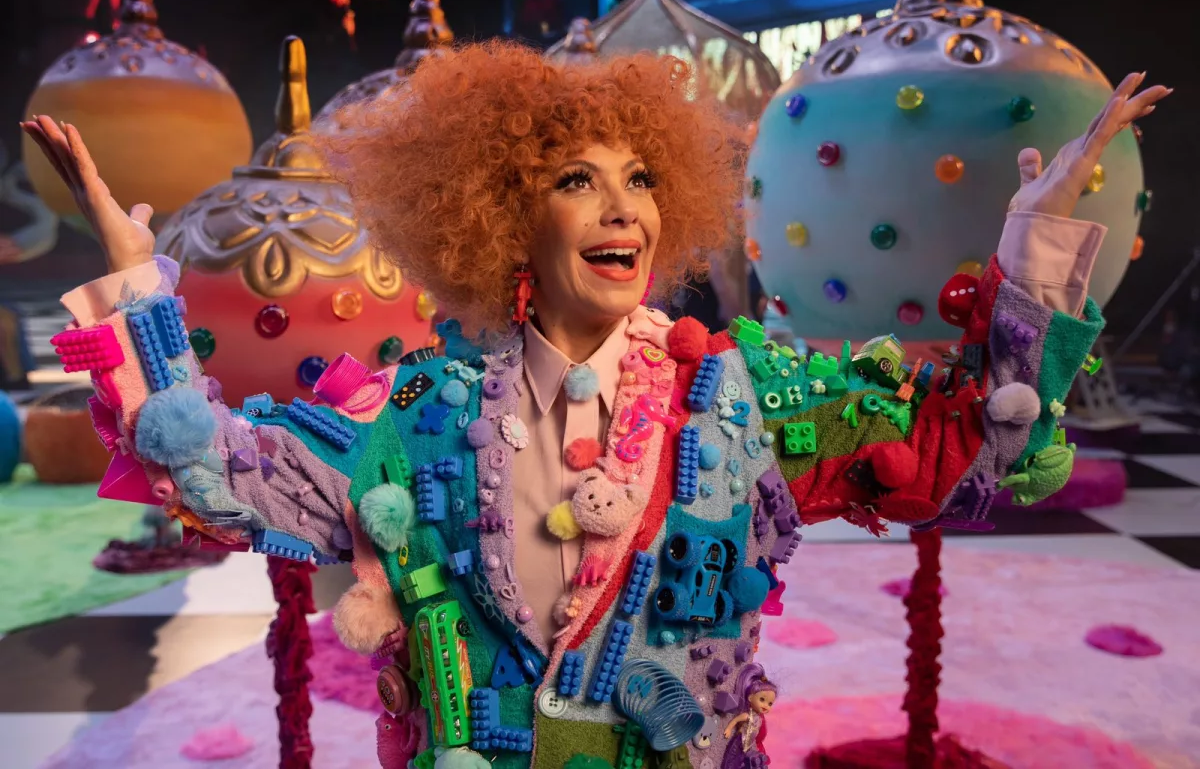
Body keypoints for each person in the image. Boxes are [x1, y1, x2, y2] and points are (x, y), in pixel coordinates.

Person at [22, 42, 1167, 769]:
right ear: (506, 215)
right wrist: (131, 284)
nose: (624, 209)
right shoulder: (420, 415)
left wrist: (1037, 252)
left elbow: (966, 440)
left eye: (642, 178)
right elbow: (212, 469)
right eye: (579, 180)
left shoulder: (741, 395)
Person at [720, 664, 776, 769]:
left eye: (770, 704)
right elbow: (736, 720)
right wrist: (728, 729)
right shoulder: (748, 715)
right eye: (762, 700)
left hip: (748, 744)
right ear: (750, 698)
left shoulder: (759, 719)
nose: (766, 706)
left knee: (739, 761)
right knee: (730, 759)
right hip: (739, 740)